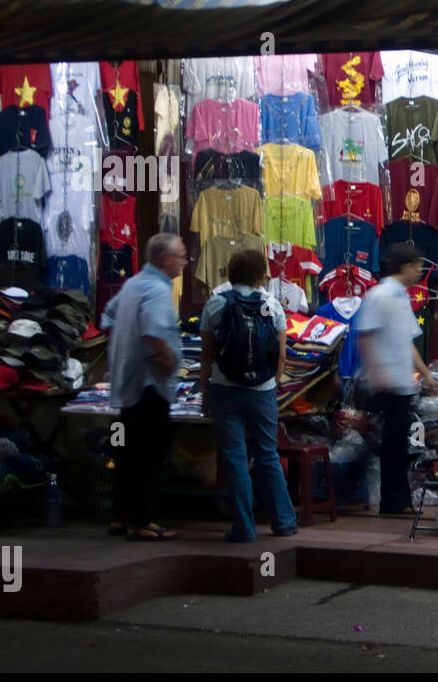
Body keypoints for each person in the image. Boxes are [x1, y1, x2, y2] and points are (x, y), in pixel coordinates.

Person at [198, 248, 298, 542]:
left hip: (225, 390)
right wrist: (271, 383)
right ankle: (285, 521)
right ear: (259, 274)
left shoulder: (215, 304)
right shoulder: (272, 305)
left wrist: (205, 393)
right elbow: (281, 356)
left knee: (235, 458)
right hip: (263, 393)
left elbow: (206, 357)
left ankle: (243, 528)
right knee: (268, 455)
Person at [102, 232, 186, 542]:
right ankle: (143, 522)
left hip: (128, 383)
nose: (184, 262)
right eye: (181, 256)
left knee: (127, 452)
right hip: (150, 386)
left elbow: (108, 315)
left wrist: (122, 350)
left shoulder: (132, 284)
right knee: (149, 455)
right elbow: (153, 333)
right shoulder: (156, 289)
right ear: (165, 259)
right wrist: (167, 362)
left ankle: (121, 516)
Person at [356, 243, 438, 515]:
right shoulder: (379, 295)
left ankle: (397, 501)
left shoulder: (402, 297)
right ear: (404, 266)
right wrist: (378, 371)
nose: (420, 271)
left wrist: (426, 374)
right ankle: (393, 503)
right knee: (392, 444)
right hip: (387, 381)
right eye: (416, 266)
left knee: (399, 442)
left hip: (402, 381)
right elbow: (366, 335)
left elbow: (407, 341)